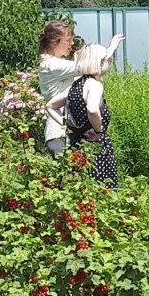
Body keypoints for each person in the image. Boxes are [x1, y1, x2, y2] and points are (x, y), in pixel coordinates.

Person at [38, 20, 123, 158]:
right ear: (55, 42)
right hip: (61, 133)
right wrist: (111, 49)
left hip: (66, 131)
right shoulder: (52, 65)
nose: (72, 43)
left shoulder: (54, 64)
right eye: (68, 40)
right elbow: (91, 66)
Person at [45, 43, 118, 188]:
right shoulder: (95, 85)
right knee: (101, 190)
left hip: (76, 146)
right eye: (106, 60)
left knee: (80, 190)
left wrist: (67, 125)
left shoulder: (75, 86)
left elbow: (50, 106)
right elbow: (92, 109)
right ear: (101, 63)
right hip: (95, 148)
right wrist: (98, 131)